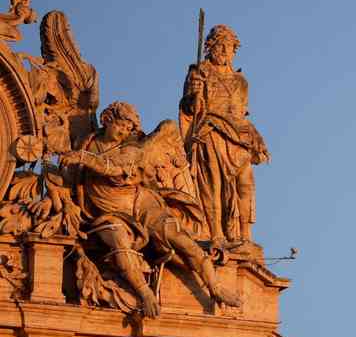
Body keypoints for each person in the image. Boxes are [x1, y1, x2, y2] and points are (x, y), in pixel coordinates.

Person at [61, 101, 241, 317]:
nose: (123, 132)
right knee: (120, 243)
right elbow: (69, 180)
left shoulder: (132, 148)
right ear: (107, 120)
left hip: (140, 203)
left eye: (128, 129)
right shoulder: (86, 141)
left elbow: (112, 168)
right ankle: (145, 294)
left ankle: (215, 287)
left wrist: (82, 158)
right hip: (107, 213)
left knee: (178, 237)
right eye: (120, 125)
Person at [180, 24, 269, 249]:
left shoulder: (241, 82)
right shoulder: (199, 72)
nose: (224, 51)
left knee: (245, 183)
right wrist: (194, 96)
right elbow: (190, 108)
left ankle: (245, 236)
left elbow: (241, 112)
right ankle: (216, 235)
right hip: (211, 130)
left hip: (239, 134)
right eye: (220, 46)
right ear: (210, 47)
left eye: (229, 47)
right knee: (213, 184)